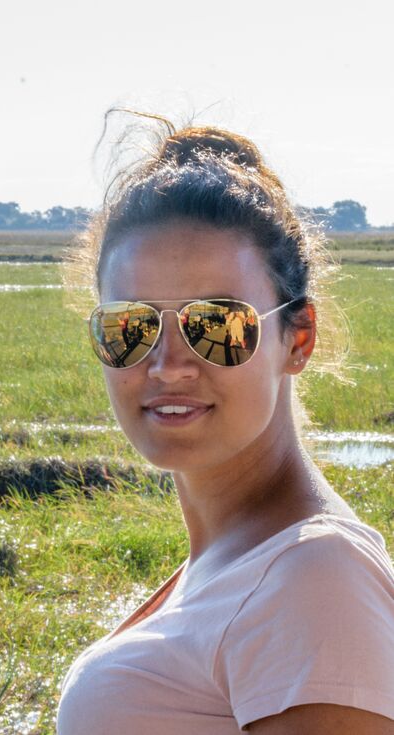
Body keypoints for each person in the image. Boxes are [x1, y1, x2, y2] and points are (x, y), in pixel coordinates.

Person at [58, 114, 394, 734]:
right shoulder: (237, 558)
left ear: (298, 339)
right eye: (130, 326)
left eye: (217, 324)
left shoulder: (316, 575)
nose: (168, 365)